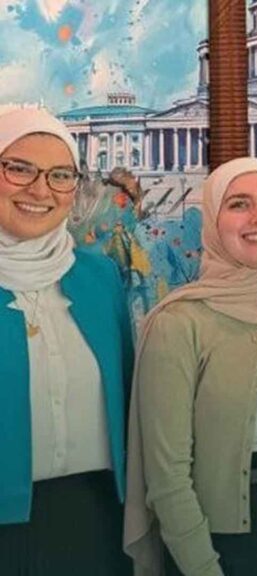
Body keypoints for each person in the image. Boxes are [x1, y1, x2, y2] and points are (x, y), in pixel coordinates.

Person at [123, 157, 257, 576]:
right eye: (239, 204)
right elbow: (167, 478)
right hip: (217, 545)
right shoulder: (178, 323)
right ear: (212, 219)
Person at [0, 108, 133, 574]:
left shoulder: (100, 278)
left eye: (60, 175)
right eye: (19, 168)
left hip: (96, 523)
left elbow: (127, 394)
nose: (40, 190)